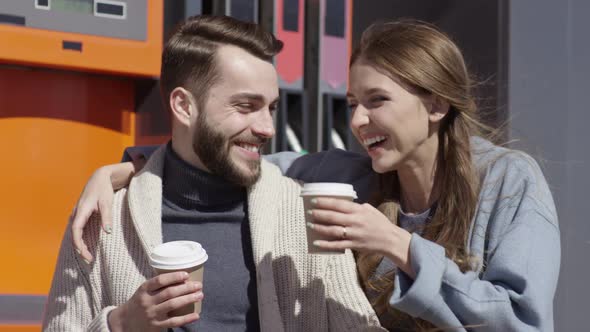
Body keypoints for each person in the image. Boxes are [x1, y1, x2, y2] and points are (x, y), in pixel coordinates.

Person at [70, 20, 560, 331]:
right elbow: (235, 156)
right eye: (352, 104)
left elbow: (521, 321)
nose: (359, 121)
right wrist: (126, 168)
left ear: (435, 104)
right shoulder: (351, 175)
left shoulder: (508, 180)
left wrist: (399, 245)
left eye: (377, 101)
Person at [42, 15, 383, 332]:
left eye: (272, 108)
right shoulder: (104, 217)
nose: (267, 128)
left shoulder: (305, 213)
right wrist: (120, 323)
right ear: (184, 106)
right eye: (246, 106)